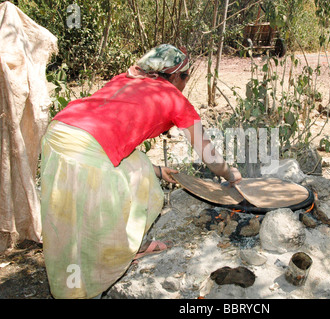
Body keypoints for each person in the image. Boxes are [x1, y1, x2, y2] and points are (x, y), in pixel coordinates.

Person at [39, 44, 242, 299]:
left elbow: (113, 132)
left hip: (59, 133)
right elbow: (209, 155)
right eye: (186, 76)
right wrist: (230, 174)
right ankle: (94, 276)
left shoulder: (128, 78)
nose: (186, 83)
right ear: (177, 75)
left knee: (134, 168)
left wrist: (157, 170)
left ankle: (131, 247)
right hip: (87, 150)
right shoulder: (173, 98)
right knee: (90, 219)